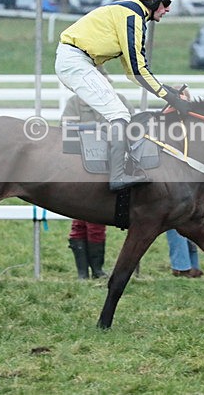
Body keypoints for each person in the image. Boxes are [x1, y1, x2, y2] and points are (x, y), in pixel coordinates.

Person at [55, 0, 191, 192]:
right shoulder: (133, 17)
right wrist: (171, 98)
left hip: (78, 60)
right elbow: (139, 69)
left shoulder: (132, 13)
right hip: (75, 61)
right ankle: (118, 175)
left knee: (118, 113)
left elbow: (132, 72)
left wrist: (168, 93)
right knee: (119, 114)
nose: (168, 8)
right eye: (166, 2)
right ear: (153, 0)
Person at [60, 75, 135, 279]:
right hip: (81, 166)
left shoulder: (119, 101)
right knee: (79, 221)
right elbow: (66, 130)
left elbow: (133, 125)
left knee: (96, 221)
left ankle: (97, 270)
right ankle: (84, 272)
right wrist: (97, 130)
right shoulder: (75, 103)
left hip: (111, 165)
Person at [164, 85, 204, 278]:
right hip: (172, 179)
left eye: (184, 98)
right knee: (175, 223)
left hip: (192, 179)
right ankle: (181, 266)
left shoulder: (195, 122)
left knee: (192, 222)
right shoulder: (166, 121)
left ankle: (192, 265)